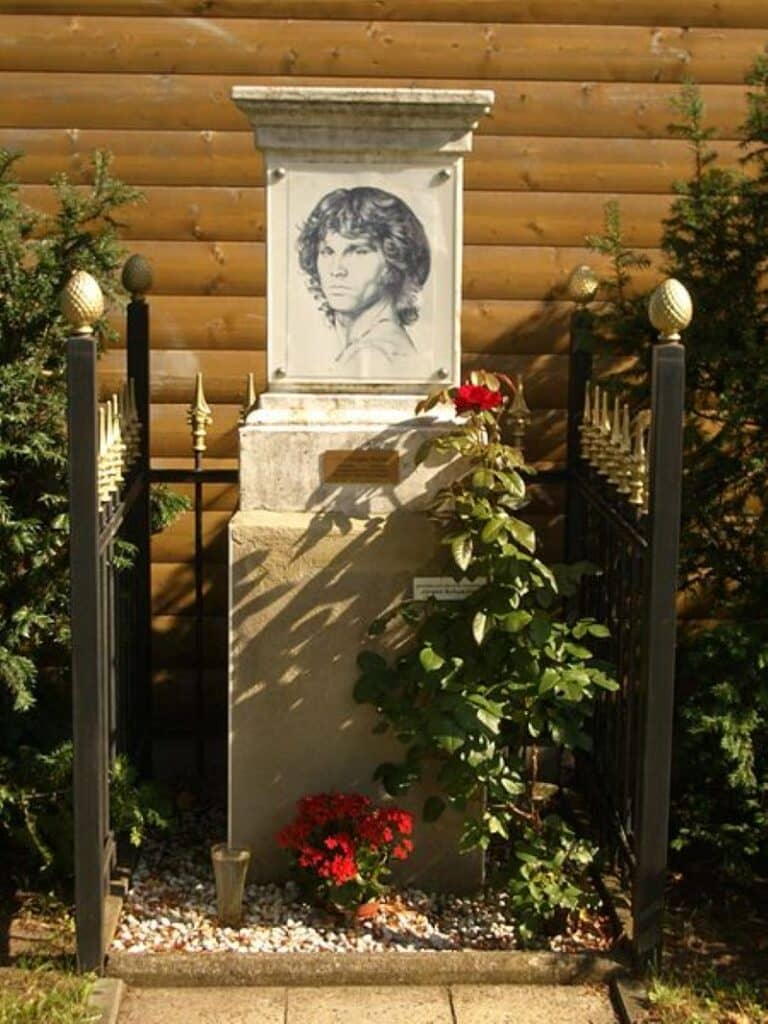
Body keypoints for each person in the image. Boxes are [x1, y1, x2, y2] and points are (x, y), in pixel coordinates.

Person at [296, 186, 430, 370]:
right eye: (327, 252)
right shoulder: (362, 349)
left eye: (359, 251)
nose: (337, 269)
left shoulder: (375, 356)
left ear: (394, 261)